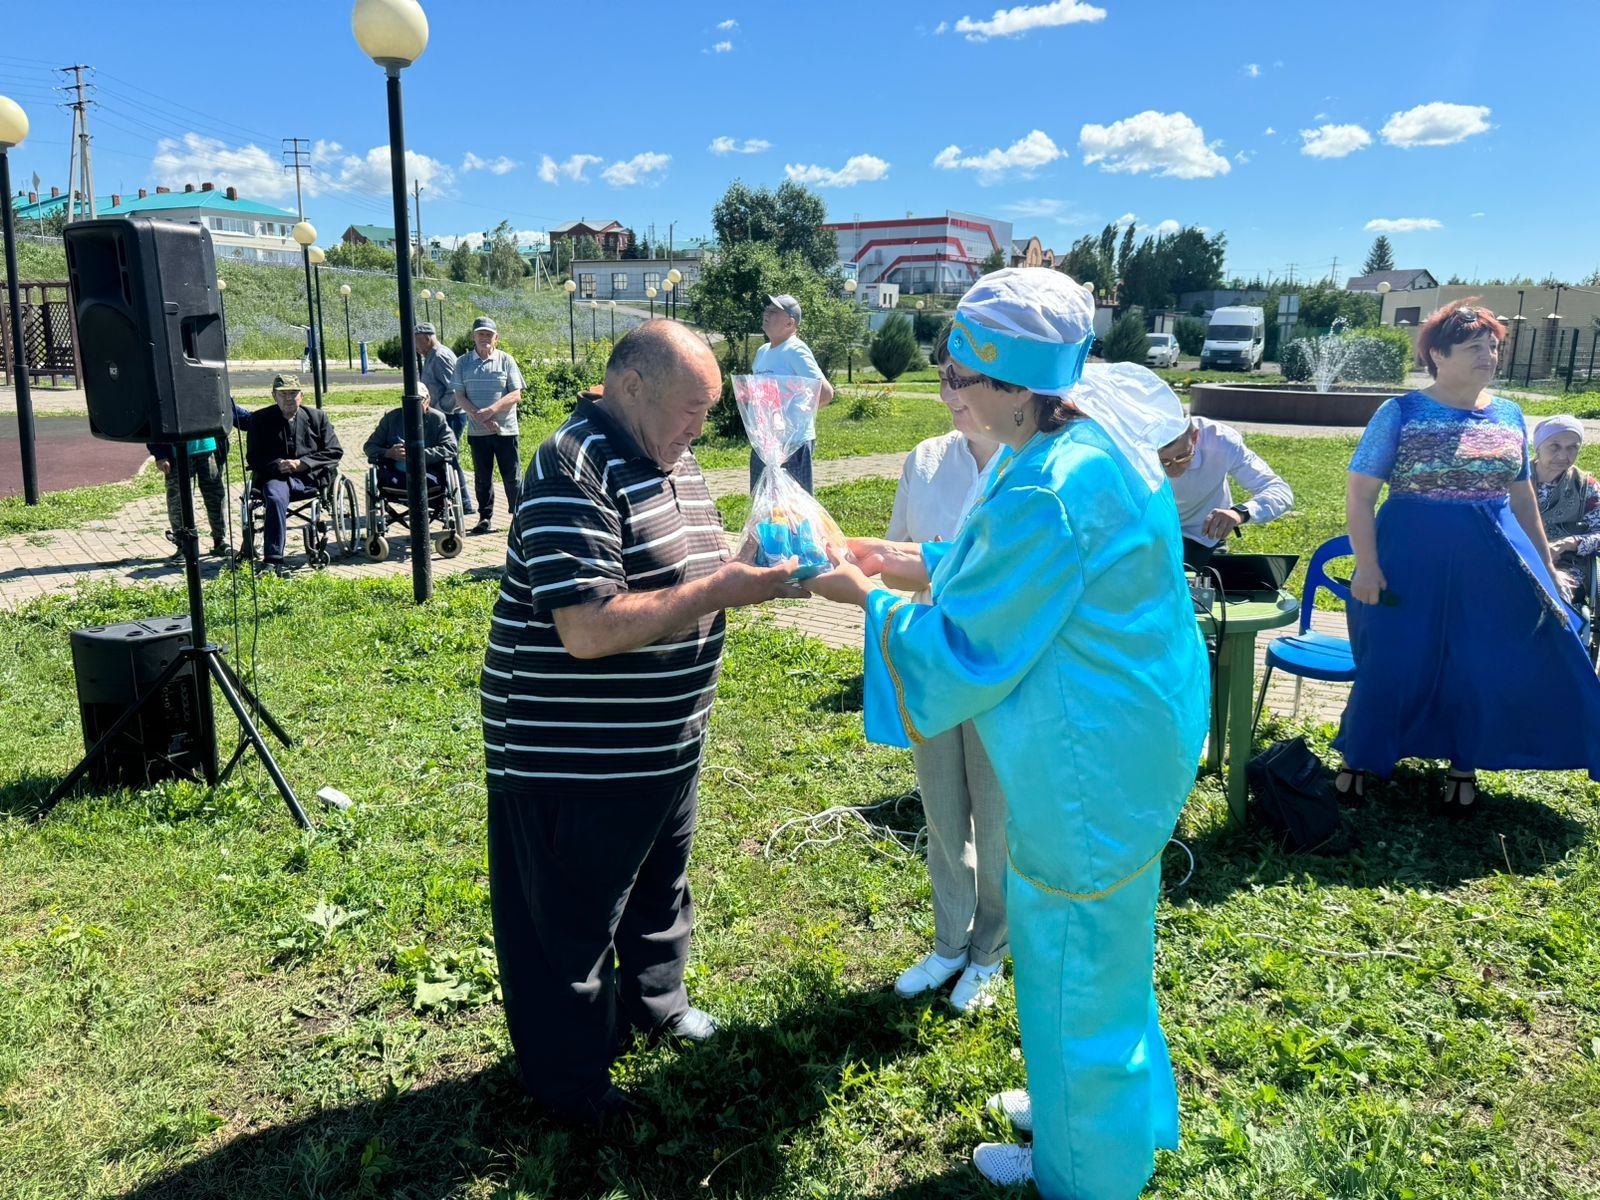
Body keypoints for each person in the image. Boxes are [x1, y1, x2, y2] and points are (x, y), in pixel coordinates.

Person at [804, 268, 1209, 1197]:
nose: (946, 391)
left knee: (1072, 959)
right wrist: (903, 559)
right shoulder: (1082, 436)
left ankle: (1086, 1169)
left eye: (958, 377)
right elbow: (1011, 567)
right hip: (1131, 738)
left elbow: (960, 646)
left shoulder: (1049, 486)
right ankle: (1102, 1105)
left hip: (1087, 767)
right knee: (1106, 955)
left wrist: (855, 593)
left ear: (1017, 387)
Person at [480, 320, 806, 1126]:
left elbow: (685, 567)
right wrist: (727, 589)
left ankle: (655, 1006)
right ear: (630, 388)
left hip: (664, 738)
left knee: (660, 886)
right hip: (574, 752)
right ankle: (570, 1087)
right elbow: (588, 630)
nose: (701, 429)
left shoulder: (672, 454)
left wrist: (757, 552)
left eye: (708, 413)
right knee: (568, 923)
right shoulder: (570, 463)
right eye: (690, 411)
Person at [1334, 300, 1600, 811]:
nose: (1490, 355)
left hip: (1492, 558)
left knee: (1478, 660)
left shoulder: (1509, 414)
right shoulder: (1400, 412)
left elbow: (1522, 497)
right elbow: (1360, 495)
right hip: (1410, 550)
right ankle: (1360, 757)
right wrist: (1366, 566)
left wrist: (1546, 565)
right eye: (1475, 347)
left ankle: (1463, 762)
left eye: (1494, 346)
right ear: (1438, 353)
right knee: (1394, 657)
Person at [884, 334, 1007, 1014]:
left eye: (964, 379)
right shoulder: (927, 460)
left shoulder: (1031, 468)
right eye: (944, 378)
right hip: (933, 658)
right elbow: (901, 552)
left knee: (997, 813)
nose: (950, 394)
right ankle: (950, 940)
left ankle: (991, 947)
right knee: (941, 807)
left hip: (999, 665)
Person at [1158, 416, 1293, 566]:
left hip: (1203, 536)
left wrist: (1239, 513)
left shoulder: (1221, 442)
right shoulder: (1130, 447)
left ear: (1195, 437)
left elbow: (1279, 490)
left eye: (1183, 457)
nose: (1174, 470)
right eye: (1164, 462)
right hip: (1148, 536)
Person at [245, 374, 343, 575]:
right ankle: (273, 560)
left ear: (302, 396)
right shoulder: (259, 419)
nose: (288, 398)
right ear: (274, 396)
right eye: (283, 394)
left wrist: (303, 463)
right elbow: (254, 457)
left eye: (293, 393)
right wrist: (277, 464)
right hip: (276, 477)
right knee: (274, 497)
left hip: (309, 478)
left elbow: (334, 451)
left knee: (283, 491)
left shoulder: (317, 417)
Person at [748, 293, 833, 496]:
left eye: (774, 311)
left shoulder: (795, 349)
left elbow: (826, 394)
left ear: (790, 322)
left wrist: (793, 416)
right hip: (765, 442)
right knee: (763, 502)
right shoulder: (763, 352)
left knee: (795, 507)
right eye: (767, 310)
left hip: (791, 444)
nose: (766, 314)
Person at [452, 315, 523, 534]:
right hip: (478, 431)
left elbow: (516, 394)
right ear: (473, 336)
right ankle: (485, 517)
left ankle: (518, 517)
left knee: (512, 477)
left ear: (496, 338)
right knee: (482, 478)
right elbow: (459, 396)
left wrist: (491, 411)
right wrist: (479, 415)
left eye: (488, 334)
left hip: (506, 430)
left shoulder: (506, 360)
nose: (484, 338)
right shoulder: (462, 363)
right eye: (480, 334)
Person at [1530, 414, 1600, 601]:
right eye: (1555, 446)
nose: (1563, 456)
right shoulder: (1513, 480)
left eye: (1572, 448)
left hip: (1565, 564)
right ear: (1538, 446)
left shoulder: (1586, 487)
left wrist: (1568, 543)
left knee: (1549, 594)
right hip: (1515, 555)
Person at [415, 321, 471, 513]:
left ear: (427, 338)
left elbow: (455, 389)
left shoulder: (440, 356)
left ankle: (464, 503)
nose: (415, 346)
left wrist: (438, 410)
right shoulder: (430, 355)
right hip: (441, 414)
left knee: (448, 456)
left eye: (417, 341)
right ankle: (449, 499)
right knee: (444, 457)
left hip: (451, 415)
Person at [150, 432, 231, 560]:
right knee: (178, 500)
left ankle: (220, 541)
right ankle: (183, 545)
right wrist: (160, 454)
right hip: (177, 451)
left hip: (209, 449)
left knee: (216, 497)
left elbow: (226, 412)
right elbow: (154, 420)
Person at [362, 386, 458, 493]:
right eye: (409, 401)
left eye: (418, 400)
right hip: (396, 475)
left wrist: (420, 454)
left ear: (427, 401)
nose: (413, 405)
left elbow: (451, 447)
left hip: (429, 472)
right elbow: (369, 447)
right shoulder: (391, 418)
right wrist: (389, 453)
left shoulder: (437, 419)